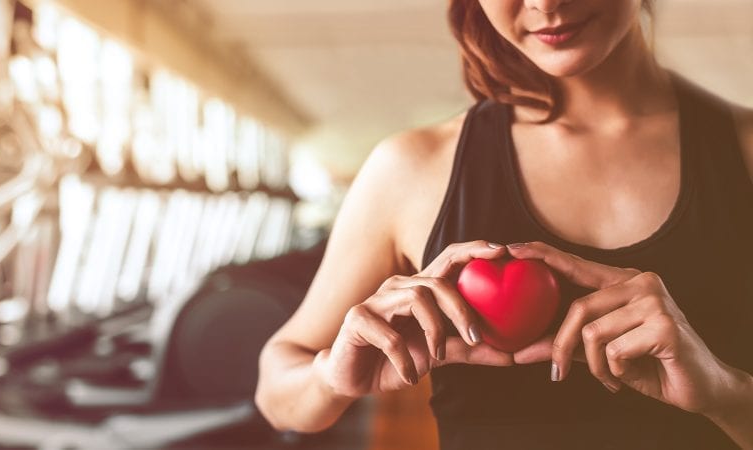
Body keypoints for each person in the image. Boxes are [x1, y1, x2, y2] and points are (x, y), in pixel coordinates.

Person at [255, 0, 753, 448]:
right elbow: (276, 390)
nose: (545, 3)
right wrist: (328, 378)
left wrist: (727, 394)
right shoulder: (413, 169)